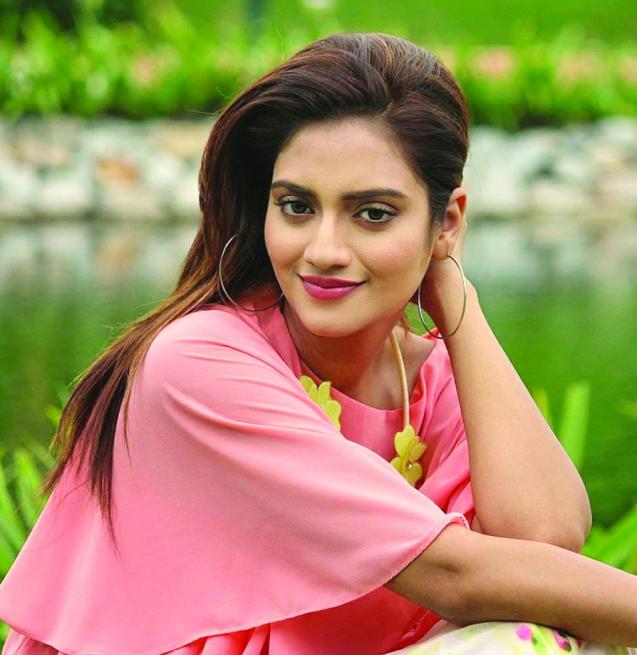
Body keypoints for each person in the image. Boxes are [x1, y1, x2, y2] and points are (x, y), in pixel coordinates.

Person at [0, 31, 635, 655]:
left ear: (446, 222)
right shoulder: (200, 363)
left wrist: (453, 295)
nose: (324, 250)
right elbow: (453, 576)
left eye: (373, 214)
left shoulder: (431, 378)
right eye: (297, 207)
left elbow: (546, 541)